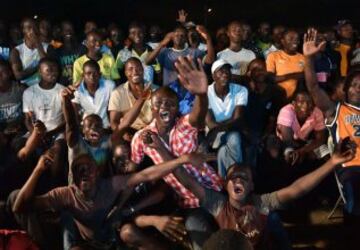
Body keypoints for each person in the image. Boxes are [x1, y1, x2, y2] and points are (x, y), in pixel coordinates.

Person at [10, 146, 212, 249]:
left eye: (88, 169)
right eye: (78, 171)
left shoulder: (110, 185)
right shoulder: (64, 194)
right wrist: (37, 170)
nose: (84, 174)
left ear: (97, 174)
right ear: (73, 178)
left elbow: (147, 174)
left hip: (113, 235)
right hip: (89, 243)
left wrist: (182, 159)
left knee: (129, 232)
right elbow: (20, 207)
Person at [171, 139, 356, 249]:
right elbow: (185, 180)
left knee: (273, 220)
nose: (237, 180)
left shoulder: (261, 203)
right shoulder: (218, 204)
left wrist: (332, 163)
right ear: (224, 184)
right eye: (232, 177)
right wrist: (160, 149)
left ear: (252, 186)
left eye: (243, 178)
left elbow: (297, 189)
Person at [303, 28, 360, 217]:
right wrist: (309, 59)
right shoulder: (335, 109)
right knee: (355, 205)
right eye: (354, 85)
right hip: (350, 166)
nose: (358, 88)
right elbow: (312, 87)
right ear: (345, 90)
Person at [17, 57, 66, 179]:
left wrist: (50, 134)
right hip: (36, 132)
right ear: (40, 71)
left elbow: (66, 119)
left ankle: (54, 184)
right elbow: (28, 119)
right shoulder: (29, 92)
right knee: (20, 145)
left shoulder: (62, 91)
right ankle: (28, 182)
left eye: (55, 70)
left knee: (59, 148)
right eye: (48, 70)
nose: (53, 73)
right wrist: (36, 135)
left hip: (56, 131)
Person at [206, 59, 247, 177]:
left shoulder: (240, 90)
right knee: (226, 148)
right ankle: (237, 177)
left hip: (227, 131)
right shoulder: (206, 92)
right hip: (213, 133)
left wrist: (219, 128)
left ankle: (231, 178)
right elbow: (210, 123)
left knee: (233, 138)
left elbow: (238, 119)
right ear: (213, 76)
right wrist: (230, 123)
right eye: (220, 71)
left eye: (228, 70)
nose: (225, 74)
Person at [145, 25, 215, 86]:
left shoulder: (194, 52)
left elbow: (210, 61)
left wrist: (208, 39)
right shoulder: (165, 52)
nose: (179, 37)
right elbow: (148, 61)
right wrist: (162, 44)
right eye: (176, 35)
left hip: (189, 93)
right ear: (172, 37)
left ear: (186, 39)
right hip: (169, 91)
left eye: (182, 36)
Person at [276, 91, 327, 166]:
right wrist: (291, 151)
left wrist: (302, 151)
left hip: (303, 143)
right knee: (287, 156)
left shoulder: (317, 112)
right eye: (301, 102)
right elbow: (287, 138)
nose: (306, 105)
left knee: (325, 153)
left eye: (309, 102)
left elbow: (320, 139)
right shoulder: (286, 110)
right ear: (294, 103)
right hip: (284, 142)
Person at [109, 57, 158, 131]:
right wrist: (124, 135)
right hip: (128, 131)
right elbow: (114, 122)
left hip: (152, 130)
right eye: (130, 69)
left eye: (138, 68)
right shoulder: (117, 93)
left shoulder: (156, 90)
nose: (135, 72)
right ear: (125, 73)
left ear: (143, 70)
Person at [72, 60, 115, 129]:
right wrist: (80, 128)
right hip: (86, 128)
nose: (92, 76)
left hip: (106, 127)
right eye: (88, 73)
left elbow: (113, 108)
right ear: (83, 75)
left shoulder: (109, 86)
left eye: (95, 73)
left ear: (100, 74)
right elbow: (74, 111)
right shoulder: (77, 90)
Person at [10, 18, 51, 86]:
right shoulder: (16, 51)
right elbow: (18, 76)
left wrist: (38, 44)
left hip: (45, 87)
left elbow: (48, 68)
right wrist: (39, 67)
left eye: (35, 27)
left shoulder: (47, 47)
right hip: (26, 88)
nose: (32, 31)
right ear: (23, 30)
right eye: (28, 28)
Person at [266, 29, 305, 99]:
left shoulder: (303, 58)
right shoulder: (273, 56)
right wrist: (293, 75)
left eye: (297, 39)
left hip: (296, 98)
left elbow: (304, 79)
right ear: (283, 41)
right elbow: (270, 78)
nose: (295, 41)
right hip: (277, 97)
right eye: (291, 39)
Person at [55, 21, 81, 86]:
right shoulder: (57, 50)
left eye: (71, 29)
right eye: (65, 30)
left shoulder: (82, 48)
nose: (68, 32)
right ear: (61, 32)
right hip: (62, 86)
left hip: (79, 85)